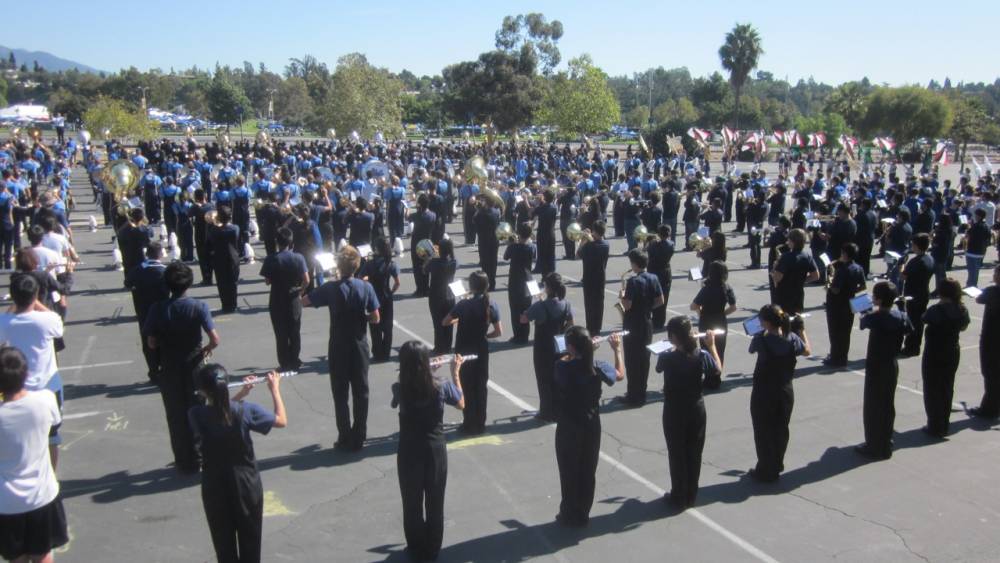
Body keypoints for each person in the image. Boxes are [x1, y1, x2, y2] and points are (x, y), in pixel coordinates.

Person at [188, 364, 287, 563]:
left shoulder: (195, 414)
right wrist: (274, 389)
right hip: (246, 485)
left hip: (215, 487)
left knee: (224, 547)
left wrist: (240, 393)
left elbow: (219, 412)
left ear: (203, 391)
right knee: (250, 543)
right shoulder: (246, 411)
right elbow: (281, 420)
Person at [391, 341, 464, 561]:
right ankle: (432, 548)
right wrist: (455, 372)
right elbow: (461, 402)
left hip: (409, 450)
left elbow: (404, 391)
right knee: (435, 500)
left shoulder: (399, 386)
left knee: (411, 502)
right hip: (434, 450)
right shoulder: (440, 386)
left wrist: (425, 370)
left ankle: (415, 545)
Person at [144, 262, 220, 473]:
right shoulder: (199, 306)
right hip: (194, 363)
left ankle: (183, 459)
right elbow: (215, 339)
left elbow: (151, 342)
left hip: (169, 365)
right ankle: (201, 456)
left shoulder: (157, 308)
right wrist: (205, 349)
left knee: (175, 414)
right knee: (198, 409)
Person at [303, 246, 380, 451]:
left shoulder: (331, 288)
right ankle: (359, 435)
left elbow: (305, 301)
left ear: (339, 266)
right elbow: (375, 317)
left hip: (338, 343)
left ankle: (344, 435)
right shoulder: (366, 288)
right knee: (361, 391)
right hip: (359, 343)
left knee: (340, 392)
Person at [0, 346, 69, 563]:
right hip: (42, 495)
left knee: (17, 559)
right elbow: (54, 425)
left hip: (7, 502)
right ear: (26, 373)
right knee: (43, 554)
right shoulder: (45, 400)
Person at [553, 327, 623, 527]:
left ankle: (568, 512)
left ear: (571, 348)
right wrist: (616, 350)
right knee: (587, 468)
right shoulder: (596, 366)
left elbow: (564, 363)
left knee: (568, 470)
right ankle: (583, 512)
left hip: (568, 424)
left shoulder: (562, 366)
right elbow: (619, 375)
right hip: (591, 424)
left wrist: (582, 351)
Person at [656, 317, 722, 509]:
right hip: (696, 408)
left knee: (676, 453)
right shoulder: (701, 355)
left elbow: (659, 368)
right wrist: (712, 347)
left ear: (674, 337)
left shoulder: (668, 357)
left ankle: (678, 494)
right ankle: (691, 493)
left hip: (674, 410)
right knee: (694, 452)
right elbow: (717, 371)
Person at [0, 276, 65, 469]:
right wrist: (36, 302)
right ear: (35, 295)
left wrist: (13, 306)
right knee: (52, 435)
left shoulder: (5, 321)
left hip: (14, 385)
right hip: (47, 384)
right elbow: (58, 326)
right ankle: (51, 474)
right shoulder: (47, 320)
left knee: (16, 432)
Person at [747, 304, 811, 482]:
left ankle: (765, 468)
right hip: (785, 390)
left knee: (763, 430)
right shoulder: (791, 338)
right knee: (781, 429)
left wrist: (759, 334)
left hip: (764, 391)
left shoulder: (761, 340)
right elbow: (807, 350)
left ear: (766, 323)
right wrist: (800, 330)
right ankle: (777, 462)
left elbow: (751, 349)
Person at [856, 281, 912, 460]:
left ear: (878, 300)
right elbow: (909, 328)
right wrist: (901, 308)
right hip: (891, 363)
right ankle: (886, 441)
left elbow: (863, 322)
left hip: (876, 365)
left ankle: (874, 445)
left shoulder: (877, 317)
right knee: (887, 405)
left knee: (873, 406)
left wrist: (866, 309)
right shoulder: (899, 316)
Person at [442, 271, 502, 434]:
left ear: (471, 287)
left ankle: (468, 422)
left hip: (463, 349)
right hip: (481, 349)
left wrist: (459, 318)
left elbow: (445, 321)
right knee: (481, 386)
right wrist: (485, 335)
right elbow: (498, 332)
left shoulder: (463, 304)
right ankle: (480, 422)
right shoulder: (490, 305)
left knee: (466, 386)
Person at [920, 278, 970, 438]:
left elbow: (924, 318)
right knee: (947, 387)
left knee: (932, 388)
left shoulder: (936, 310)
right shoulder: (961, 309)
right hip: (952, 350)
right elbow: (964, 325)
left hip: (934, 352)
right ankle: (944, 423)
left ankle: (934, 424)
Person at [522, 273, 574, 422]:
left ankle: (546, 411)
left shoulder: (540, 305)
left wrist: (531, 307)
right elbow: (570, 323)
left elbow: (524, 319)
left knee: (543, 378)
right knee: (558, 377)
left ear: (548, 288)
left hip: (543, 346)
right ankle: (558, 409)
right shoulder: (566, 304)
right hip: (560, 343)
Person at [619, 249, 665, 406]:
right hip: (646, 321)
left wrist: (622, 295)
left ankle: (633, 394)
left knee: (632, 359)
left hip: (632, 323)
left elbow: (627, 305)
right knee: (644, 358)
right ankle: (642, 392)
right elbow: (660, 300)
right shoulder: (653, 277)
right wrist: (647, 308)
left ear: (634, 264)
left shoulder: (633, 281)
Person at [259, 228, 309, 372]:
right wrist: (301, 290)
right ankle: (295, 359)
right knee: (294, 330)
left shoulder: (271, 259)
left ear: (277, 242)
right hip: (294, 296)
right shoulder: (298, 258)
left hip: (277, 297)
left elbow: (267, 281)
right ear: (291, 242)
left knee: (280, 333)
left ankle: (284, 361)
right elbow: (306, 279)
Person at [125, 242, 169, 383]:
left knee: (147, 343)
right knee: (164, 341)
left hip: (143, 311)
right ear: (160, 254)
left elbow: (127, 283)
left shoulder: (138, 269)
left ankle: (153, 371)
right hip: (163, 311)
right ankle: (165, 369)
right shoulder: (165, 271)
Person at [690, 261, 736, 388]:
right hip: (721, 321)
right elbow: (733, 307)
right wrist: (722, 314)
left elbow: (693, 306)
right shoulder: (727, 287)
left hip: (706, 322)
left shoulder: (707, 288)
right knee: (719, 349)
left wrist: (700, 313)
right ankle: (717, 376)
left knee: (706, 350)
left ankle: (708, 377)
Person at [823, 243, 866, 367]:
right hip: (849, 302)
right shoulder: (858, 268)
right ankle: (843, 357)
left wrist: (829, 284)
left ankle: (835, 358)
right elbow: (862, 286)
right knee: (845, 332)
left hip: (836, 304)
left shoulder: (842, 270)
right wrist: (851, 291)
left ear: (845, 254)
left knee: (835, 332)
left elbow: (836, 289)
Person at [361, 238, 400, 362]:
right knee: (388, 327)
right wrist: (391, 292)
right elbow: (397, 283)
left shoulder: (369, 263)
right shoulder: (391, 263)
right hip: (386, 296)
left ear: (377, 249)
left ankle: (377, 352)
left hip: (373, 297)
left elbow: (361, 278)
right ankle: (386, 353)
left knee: (375, 325)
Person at [970, 264, 1000, 419]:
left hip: (992, 337)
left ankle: (990, 408)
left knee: (990, 372)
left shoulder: (993, 291)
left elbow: (979, 299)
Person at [900, 233, 934, 357]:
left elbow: (903, 277)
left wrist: (901, 265)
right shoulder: (929, 259)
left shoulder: (915, 261)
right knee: (919, 323)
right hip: (923, 293)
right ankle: (916, 346)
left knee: (912, 321)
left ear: (917, 246)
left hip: (913, 295)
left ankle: (910, 347)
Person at [771, 228, 819, 315]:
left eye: (789, 239)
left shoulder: (785, 257)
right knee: (796, 321)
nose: (787, 241)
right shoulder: (807, 256)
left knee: (784, 322)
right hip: (798, 294)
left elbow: (777, 278)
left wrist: (774, 269)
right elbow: (816, 276)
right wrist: (802, 280)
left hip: (783, 295)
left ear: (792, 242)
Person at [504, 223, 536, 344]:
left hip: (515, 281)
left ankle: (518, 336)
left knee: (515, 309)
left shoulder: (513, 247)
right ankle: (525, 335)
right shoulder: (533, 247)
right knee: (526, 309)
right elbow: (534, 257)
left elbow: (506, 257)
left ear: (519, 233)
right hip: (528, 279)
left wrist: (511, 243)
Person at [425, 239, 457, 354]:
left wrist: (431, 256)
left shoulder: (434, 262)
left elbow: (425, 270)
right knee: (449, 322)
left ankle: (439, 347)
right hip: (450, 295)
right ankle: (447, 346)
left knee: (438, 322)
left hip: (436, 296)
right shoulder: (454, 261)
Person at [208, 206, 241, 313]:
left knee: (221, 282)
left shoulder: (214, 230)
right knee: (233, 282)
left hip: (219, 258)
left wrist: (214, 222)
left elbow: (209, 240)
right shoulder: (235, 228)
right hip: (233, 257)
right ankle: (233, 304)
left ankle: (225, 305)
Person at [647, 224, 675, 330]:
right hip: (665, 273)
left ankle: (654, 319)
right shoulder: (671, 244)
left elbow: (648, 252)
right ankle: (660, 321)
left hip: (653, 272)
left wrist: (652, 240)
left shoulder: (652, 245)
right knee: (664, 297)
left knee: (654, 296)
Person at [409, 194, 437, 297]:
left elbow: (408, 217)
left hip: (417, 243)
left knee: (417, 267)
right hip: (428, 242)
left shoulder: (416, 215)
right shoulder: (433, 215)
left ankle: (420, 289)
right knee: (427, 265)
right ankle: (426, 287)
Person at [116, 207, 153, 283]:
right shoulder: (144, 229)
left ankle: (129, 282)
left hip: (128, 253)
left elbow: (119, 235)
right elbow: (150, 234)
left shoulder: (126, 229)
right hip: (141, 254)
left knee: (128, 268)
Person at [474, 200, 501, 290]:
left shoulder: (480, 214)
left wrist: (478, 210)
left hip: (483, 241)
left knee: (484, 263)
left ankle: (485, 283)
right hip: (494, 240)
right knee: (493, 262)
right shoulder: (496, 212)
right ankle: (492, 283)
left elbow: (475, 226)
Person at [964, 208, 991, 288]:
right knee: (976, 270)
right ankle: (972, 284)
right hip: (981, 251)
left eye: (975, 215)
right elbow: (988, 239)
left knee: (971, 270)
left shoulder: (975, 226)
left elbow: (968, 234)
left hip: (972, 251)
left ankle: (971, 285)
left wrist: (968, 227)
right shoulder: (986, 226)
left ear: (978, 216)